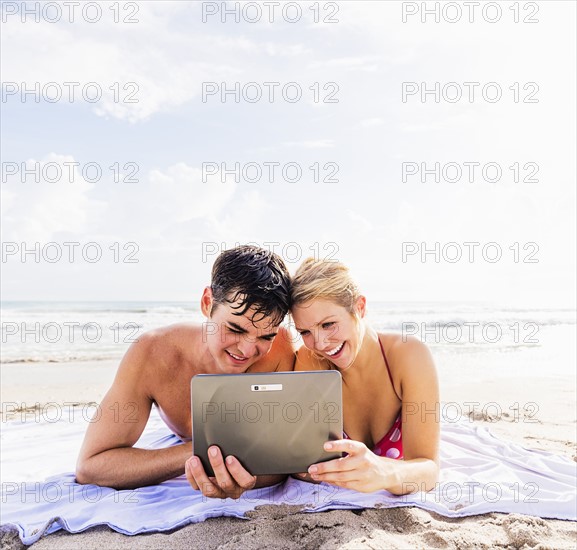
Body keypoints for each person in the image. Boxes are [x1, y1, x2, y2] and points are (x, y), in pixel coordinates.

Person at [76, 246, 295, 498]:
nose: (247, 350)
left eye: (265, 336)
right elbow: (91, 467)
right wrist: (199, 453)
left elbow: (285, 457)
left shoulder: (280, 349)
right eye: (235, 329)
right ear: (207, 303)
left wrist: (246, 475)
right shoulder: (153, 353)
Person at [290, 258, 440, 495]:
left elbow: (428, 469)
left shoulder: (408, 355)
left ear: (359, 307)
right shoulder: (310, 361)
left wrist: (384, 472)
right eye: (305, 332)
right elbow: (304, 468)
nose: (319, 343)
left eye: (328, 324)